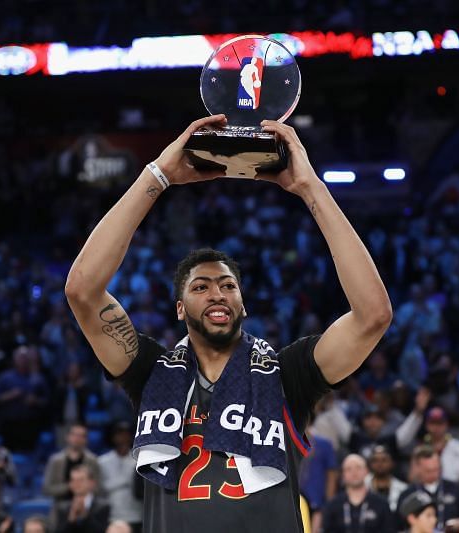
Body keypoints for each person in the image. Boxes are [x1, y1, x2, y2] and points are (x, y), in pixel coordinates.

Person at [65, 116, 392, 533]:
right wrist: (158, 175)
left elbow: (373, 316)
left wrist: (312, 188)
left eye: (227, 285)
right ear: (180, 308)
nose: (217, 293)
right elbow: (82, 292)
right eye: (200, 286)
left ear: (243, 303)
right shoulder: (150, 373)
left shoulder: (287, 375)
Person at [398, 445, 459, 532]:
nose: (434, 474)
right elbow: (399, 525)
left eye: (437, 469)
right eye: (429, 471)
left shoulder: (455, 489)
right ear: (418, 468)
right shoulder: (407, 494)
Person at [320, 454, 394, 533]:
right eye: (349, 469)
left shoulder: (381, 504)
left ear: (366, 471)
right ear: (343, 474)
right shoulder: (332, 506)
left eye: (358, 467)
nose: (354, 472)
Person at [43, 424, 101, 517]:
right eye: (74, 435)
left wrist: (84, 491)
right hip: (60, 511)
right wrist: (70, 487)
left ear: (86, 440)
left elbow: (98, 488)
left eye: (81, 436)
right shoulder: (55, 461)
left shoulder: (93, 460)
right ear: (68, 437)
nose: (77, 439)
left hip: (87, 511)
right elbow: (47, 489)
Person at [97, 422, 142, 531]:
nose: (123, 438)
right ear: (113, 437)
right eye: (119, 434)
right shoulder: (102, 461)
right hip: (111, 515)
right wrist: (124, 482)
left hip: (136, 515)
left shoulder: (139, 459)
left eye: (126, 434)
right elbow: (100, 488)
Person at [52, 465, 109, 533]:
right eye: (73, 480)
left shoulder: (103, 507)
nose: (76, 483)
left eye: (81, 480)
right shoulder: (62, 508)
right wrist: (71, 519)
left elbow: (102, 531)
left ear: (92, 483)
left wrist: (85, 515)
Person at [365, 444, 407, 512]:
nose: (379, 464)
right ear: (370, 464)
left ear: (392, 463)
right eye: (375, 460)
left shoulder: (402, 489)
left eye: (384, 460)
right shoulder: (363, 485)